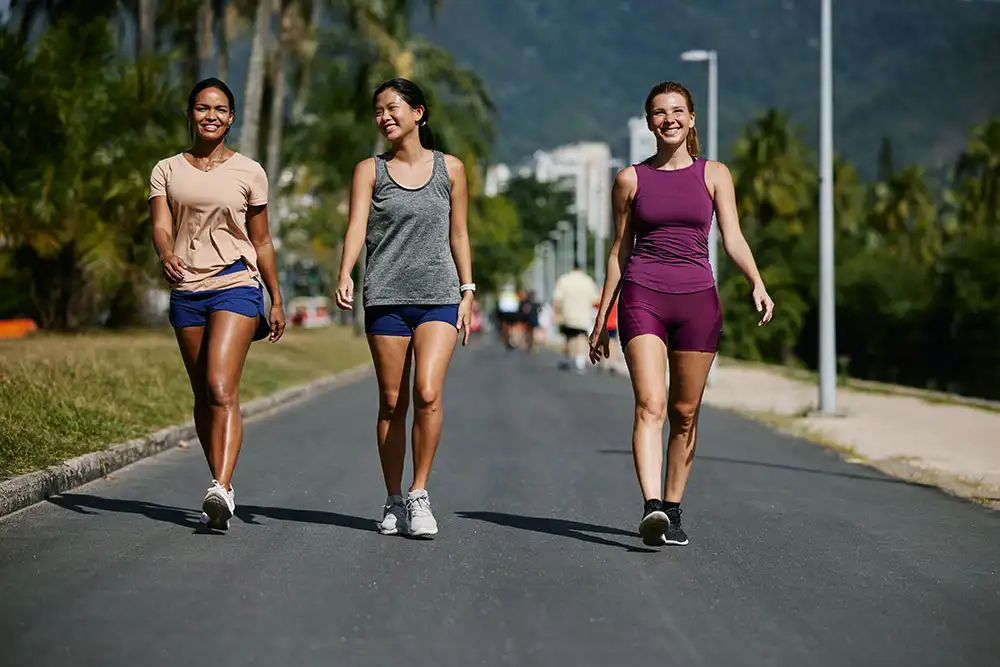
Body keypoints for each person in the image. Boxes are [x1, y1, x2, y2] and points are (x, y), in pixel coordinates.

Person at [589, 81, 774, 547]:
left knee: (685, 412)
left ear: (691, 119)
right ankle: (652, 507)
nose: (668, 119)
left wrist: (757, 281)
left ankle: (673, 508)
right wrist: (601, 318)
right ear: (648, 121)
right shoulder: (630, 179)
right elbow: (619, 250)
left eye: (677, 111)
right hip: (642, 296)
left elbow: (731, 237)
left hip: (697, 300)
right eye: (658, 112)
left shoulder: (714, 175)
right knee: (650, 404)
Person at [335, 77, 474, 539]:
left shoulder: (450, 169)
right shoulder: (368, 171)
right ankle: (393, 497)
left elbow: (459, 233)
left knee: (428, 392)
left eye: (393, 107)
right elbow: (356, 227)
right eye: (378, 110)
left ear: (419, 113)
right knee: (393, 401)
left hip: (439, 295)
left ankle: (419, 494)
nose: (384, 117)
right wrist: (345, 273)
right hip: (386, 297)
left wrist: (468, 289)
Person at [149, 77, 285, 531]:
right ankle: (219, 485)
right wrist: (166, 254)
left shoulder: (250, 171)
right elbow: (162, 226)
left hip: (236, 283)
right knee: (203, 395)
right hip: (187, 288)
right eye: (203, 108)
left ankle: (221, 486)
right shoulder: (166, 169)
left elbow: (262, 241)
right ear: (190, 114)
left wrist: (276, 298)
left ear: (231, 118)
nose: (211, 116)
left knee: (221, 385)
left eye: (220, 109)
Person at [553, 261, 600, 373]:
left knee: (567, 337)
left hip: (567, 315)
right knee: (581, 338)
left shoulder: (564, 280)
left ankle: (566, 358)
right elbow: (596, 299)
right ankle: (580, 361)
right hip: (583, 316)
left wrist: (557, 314)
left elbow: (558, 299)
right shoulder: (588, 281)